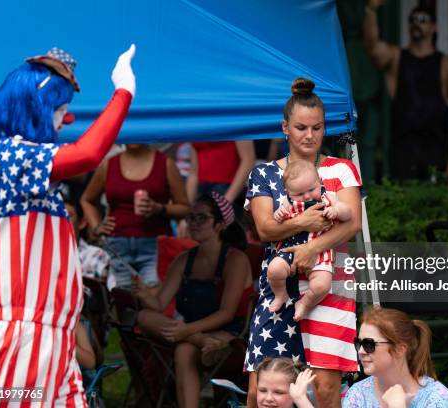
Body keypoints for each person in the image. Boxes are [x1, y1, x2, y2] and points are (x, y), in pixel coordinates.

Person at [0, 45, 136, 405]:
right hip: (16, 342)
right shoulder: (3, 157)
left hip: (51, 338)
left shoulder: (22, 168)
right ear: (36, 108)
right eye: (59, 110)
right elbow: (88, 154)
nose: (65, 121)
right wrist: (123, 93)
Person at [245, 77, 362, 408]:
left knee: (324, 388)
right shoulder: (264, 174)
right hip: (279, 286)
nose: (309, 136)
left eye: (317, 127)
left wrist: (311, 247)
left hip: (329, 284)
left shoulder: (342, 168)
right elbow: (265, 228)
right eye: (301, 128)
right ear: (285, 128)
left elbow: (352, 222)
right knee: (261, 390)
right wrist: (305, 222)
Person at [133, 192, 252, 408]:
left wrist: (187, 331)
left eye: (202, 218)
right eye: (191, 217)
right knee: (144, 315)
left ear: (220, 225)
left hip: (229, 335)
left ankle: (199, 340)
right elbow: (159, 304)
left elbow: (227, 313)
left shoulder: (235, 259)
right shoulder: (183, 260)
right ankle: (202, 341)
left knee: (183, 349)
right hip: (195, 336)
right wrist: (143, 294)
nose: (193, 223)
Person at [362, 0, 448, 181]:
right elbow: (371, 46)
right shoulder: (396, 58)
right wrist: (371, 10)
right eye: (412, 19)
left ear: (434, 27)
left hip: (437, 144)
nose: (416, 23)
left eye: (423, 19)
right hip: (403, 145)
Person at [81, 143, 190, 289]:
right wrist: (96, 226)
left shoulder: (165, 164)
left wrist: (160, 209)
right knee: (120, 296)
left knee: (154, 296)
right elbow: (87, 200)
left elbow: (185, 208)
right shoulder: (109, 164)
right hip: (116, 243)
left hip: (155, 244)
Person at [268, 159, 352, 320]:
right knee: (274, 270)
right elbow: (277, 220)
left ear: (320, 182)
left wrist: (336, 211)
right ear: (288, 192)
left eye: (311, 189)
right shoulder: (287, 202)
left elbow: (348, 213)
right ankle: (280, 295)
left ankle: (305, 303)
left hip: (320, 251)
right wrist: (278, 214)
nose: (307, 196)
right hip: (291, 248)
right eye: (299, 194)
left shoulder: (328, 198)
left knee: (322, 285)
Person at [343, 307, 448, 408]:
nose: (361, 351)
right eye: (358, 343)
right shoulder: (357, 394)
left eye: (369, 344)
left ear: (400, 349)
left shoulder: (437, 397)